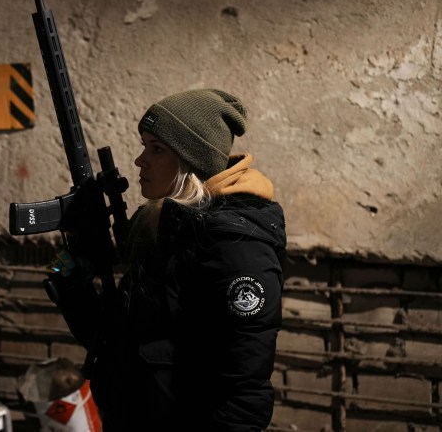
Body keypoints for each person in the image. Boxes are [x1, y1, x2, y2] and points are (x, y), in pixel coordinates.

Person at [47, 88, 287, 431]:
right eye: (144, 145)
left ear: (191, 162)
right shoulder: (167, 228)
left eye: (156, 149)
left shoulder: (236, 247)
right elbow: (117, 344)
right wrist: (69, 269)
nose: (140, 161)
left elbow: (245, 394)